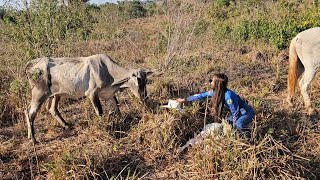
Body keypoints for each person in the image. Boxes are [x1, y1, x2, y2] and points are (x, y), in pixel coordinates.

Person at [176, 73, 255, 152]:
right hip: (238, 112)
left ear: (217, 84)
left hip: (246, 112)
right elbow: (200, 96)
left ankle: (249, 142)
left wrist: (232, 132)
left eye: (212, 81)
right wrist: (184, 100)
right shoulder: (215, 92)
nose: (210, 83)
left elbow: (235, 113)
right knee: (225, 124)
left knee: (238, 125)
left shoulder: (229, 96)